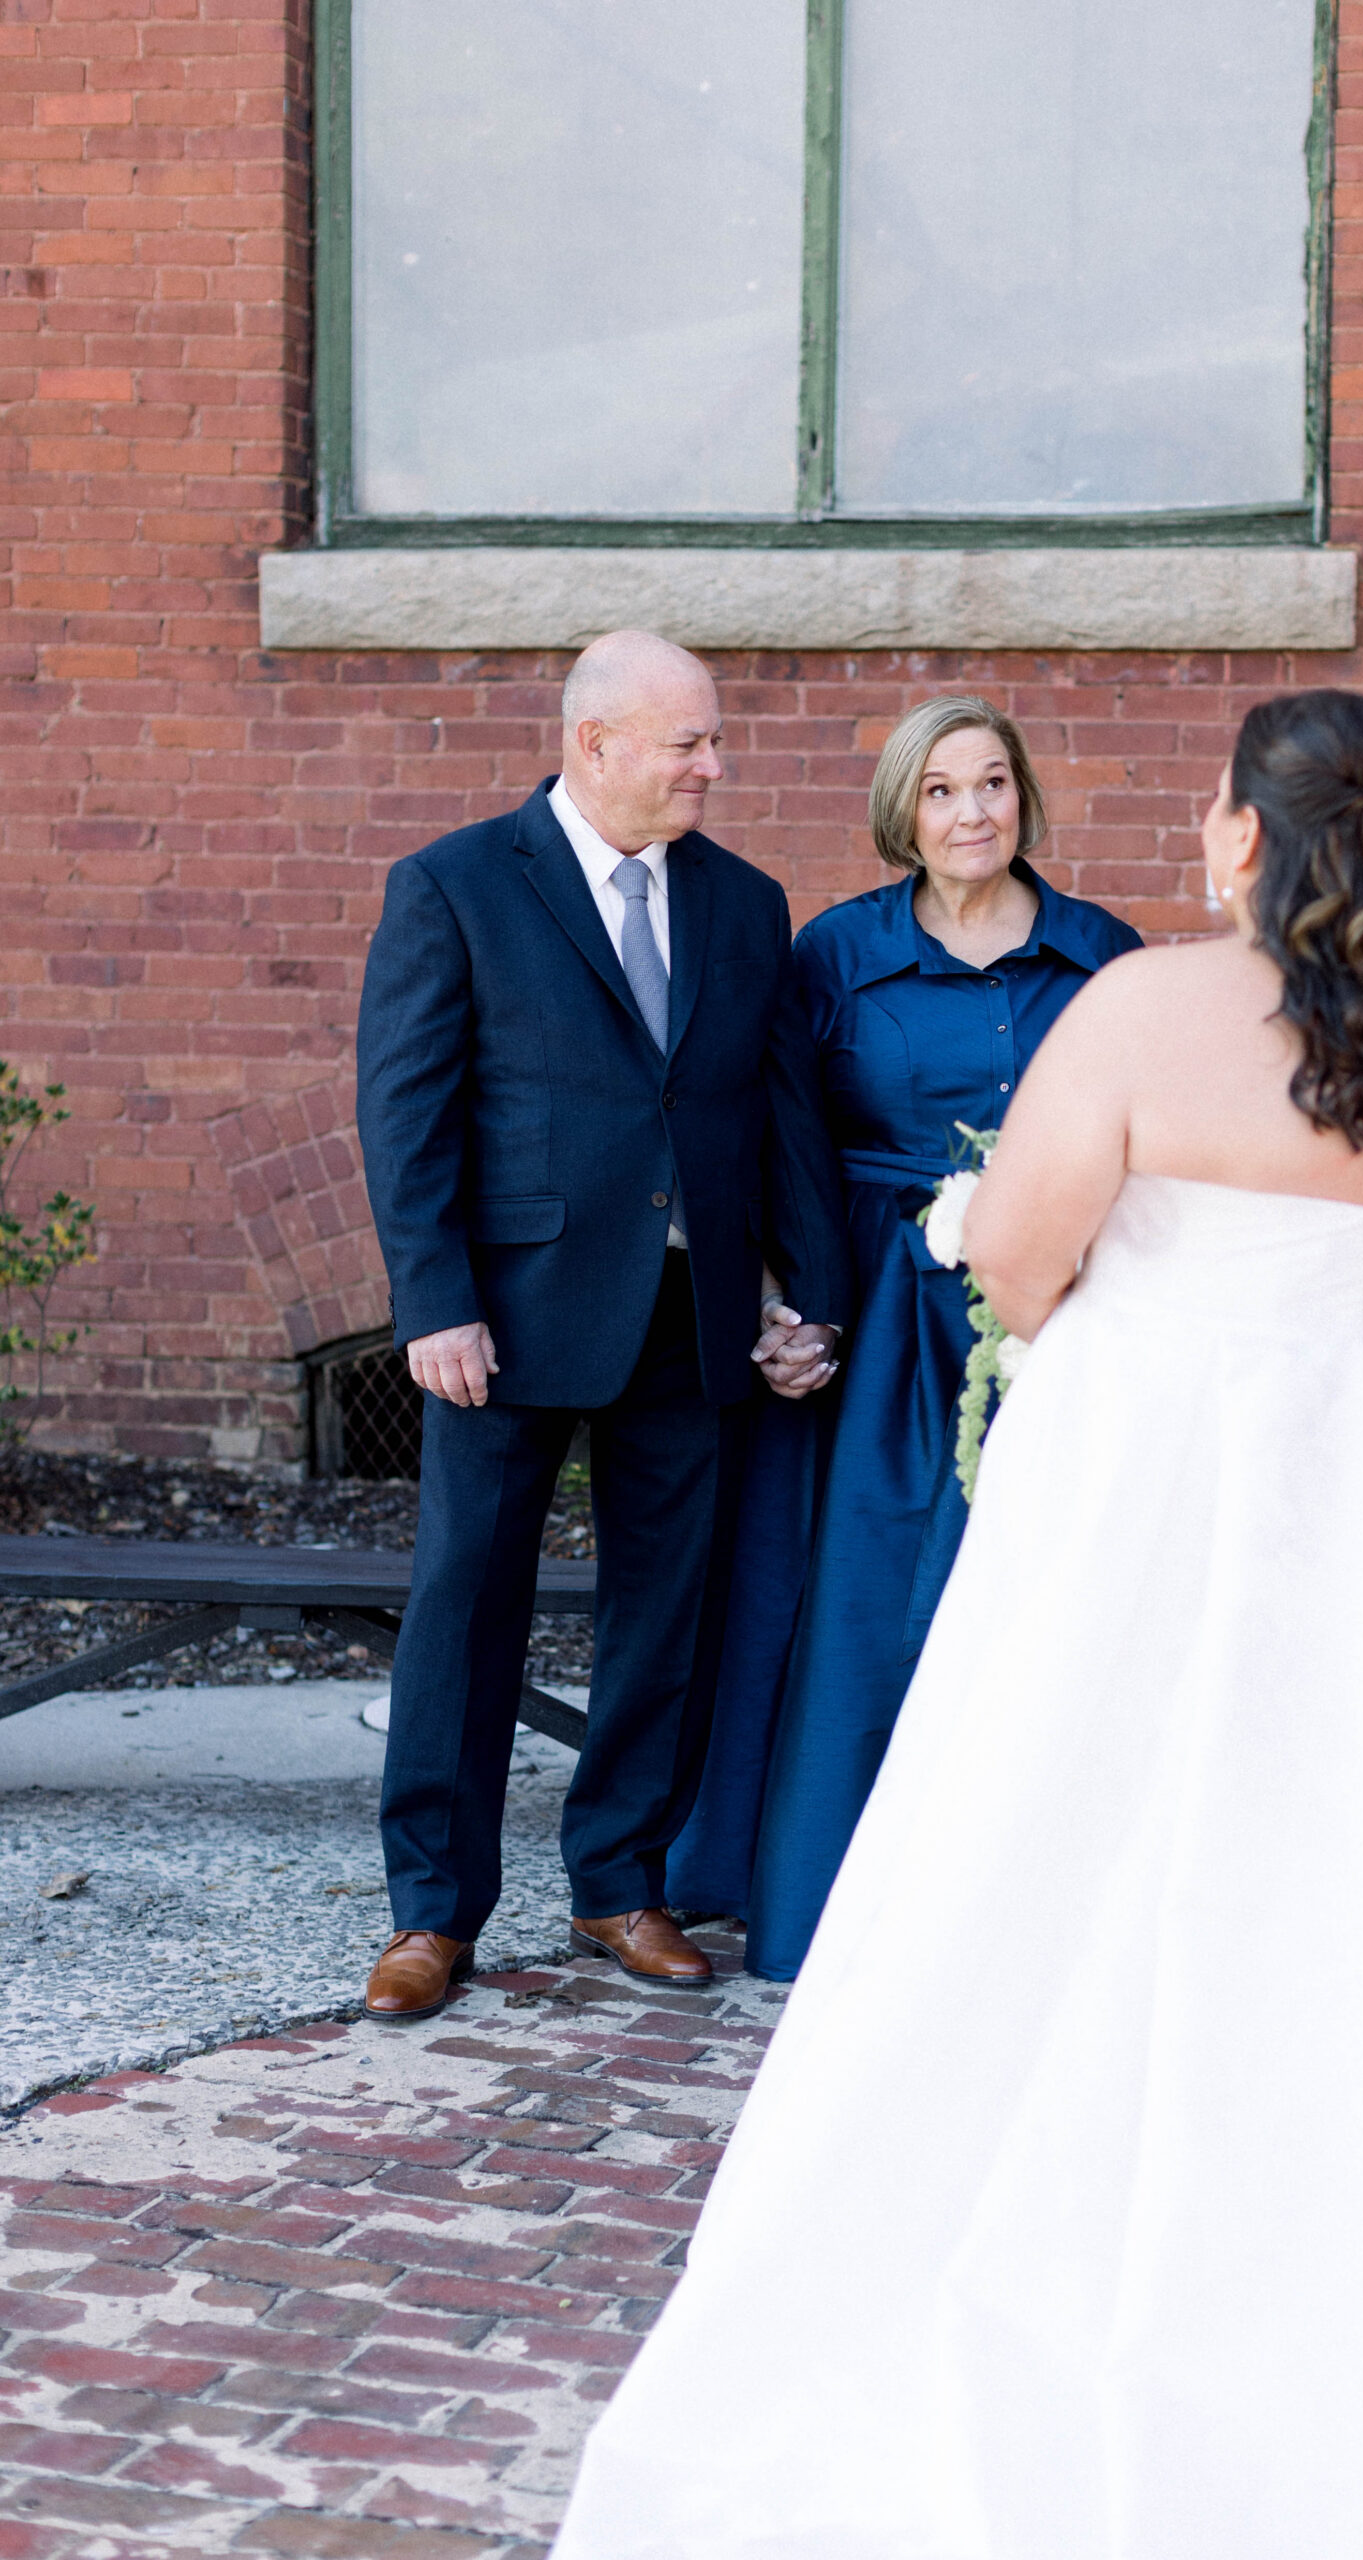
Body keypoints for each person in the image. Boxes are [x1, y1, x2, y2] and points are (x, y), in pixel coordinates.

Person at [555, 689, 1363, 2557]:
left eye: (1211, 806)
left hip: (1172, 1480)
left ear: (1245, 836)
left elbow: (1022, 1258)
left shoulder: (1137, 1010)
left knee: (1091, 1820)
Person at [354, 629, 850, 2021]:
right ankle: (431, 1913)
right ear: (596, 743)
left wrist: (806, 1296)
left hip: (691, 1315)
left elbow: (779, 1117)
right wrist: (435, 1299)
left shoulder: (745, 903)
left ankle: (619, 1883)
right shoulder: (455, 884)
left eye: (713, 738)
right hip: (504, 1323)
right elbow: (406, 1109)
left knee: (665, 1611)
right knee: (466, 1608)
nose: (713, 764)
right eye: (688, 741)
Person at [664, 695, 1141, 1976]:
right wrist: (783, 1299)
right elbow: (769, 1143)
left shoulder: (1103, 954)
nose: (971, 812)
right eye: (940, 789)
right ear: (902, 812)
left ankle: (1028, 1901)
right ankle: (830, 1887)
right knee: (863, 1591)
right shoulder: (833, 954)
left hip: (1050, 1306)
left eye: (992, 783)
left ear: (1023, 796)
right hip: (872, 1312)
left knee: (1033, 1586)